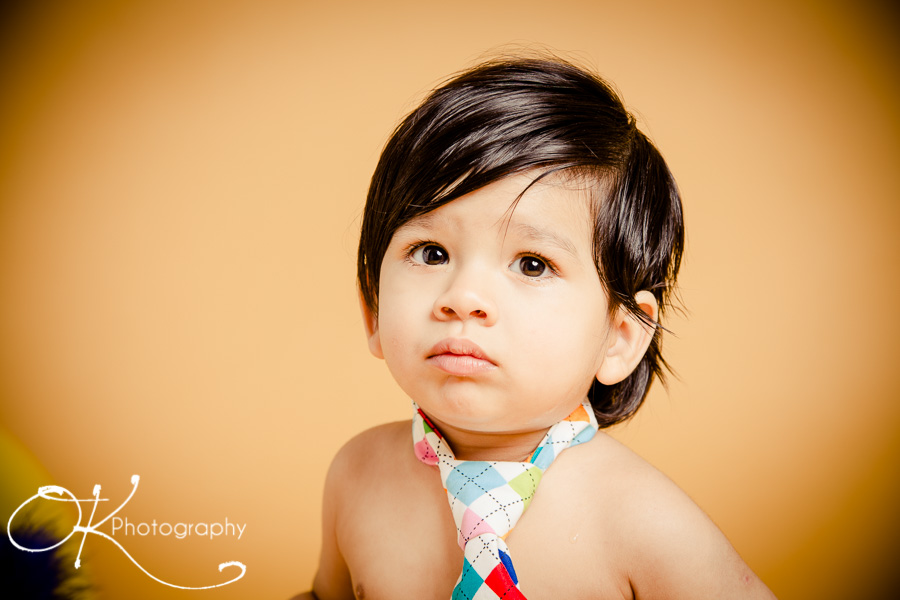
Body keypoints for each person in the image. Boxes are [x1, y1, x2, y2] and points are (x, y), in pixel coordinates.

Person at [295, 56, 777, 599]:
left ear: (620, 338)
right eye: (431, 252)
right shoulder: (357, 475)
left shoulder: (643, 522)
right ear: (373, 311)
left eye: (532, 263)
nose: (464, 299)